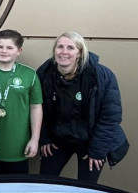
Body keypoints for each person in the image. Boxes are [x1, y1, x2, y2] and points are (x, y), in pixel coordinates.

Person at [36, 32, 129, 183]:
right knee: (44, 184)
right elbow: (39, 109)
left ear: (79, 52)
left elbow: (111, 117)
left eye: (70, 48)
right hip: (58, 139)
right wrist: (44, 138)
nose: (64, 52)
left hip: (91, 141)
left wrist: (97, 151)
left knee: (87, 189)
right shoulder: (44, 73)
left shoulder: (101, 75)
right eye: (60, 47)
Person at [0, 29, 43, 174]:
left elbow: (36, 107)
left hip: (18, 145)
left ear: (19, 51)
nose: (4, 51)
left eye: (9, 47)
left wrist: (35, 139)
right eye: (0, 47)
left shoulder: (29, 74)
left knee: (16, 191)